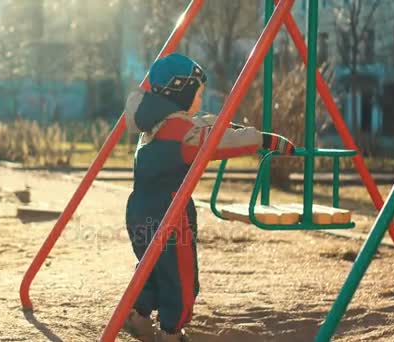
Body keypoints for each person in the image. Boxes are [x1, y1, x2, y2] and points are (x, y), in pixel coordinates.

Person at [122, 53, 295, 342]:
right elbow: (214, 141)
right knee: (181, 277)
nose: (200, 101)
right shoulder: (182, 134)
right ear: (182, 91)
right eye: (198, 94)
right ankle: (171, 332)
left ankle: (138, 318)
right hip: (171, 214)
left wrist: (233, 128)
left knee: (151, 266)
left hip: (139, 212)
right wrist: (264, 140)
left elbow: (204, 126)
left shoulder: (152, 127)